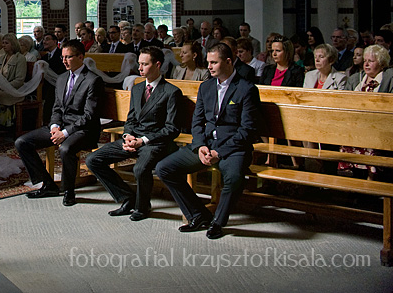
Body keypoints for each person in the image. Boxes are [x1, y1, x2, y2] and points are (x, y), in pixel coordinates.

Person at [156, 43, 261, 240]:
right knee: (164, 168)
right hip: (206, 145)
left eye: (214, 62)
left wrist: (219, 152)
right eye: (208, 62)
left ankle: (218, 222)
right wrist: (201, 145)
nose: (209, 66)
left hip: (233, 148)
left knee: (234, 178)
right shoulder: (206, 86)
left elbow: (248, 130)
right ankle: (198, 214)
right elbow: (197, 121)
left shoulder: (247, 89)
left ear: (228, 62)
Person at [86, 47, 183, 220]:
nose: (140, 68)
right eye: (139, 64)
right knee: (93, 160)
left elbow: (172, 129)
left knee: (140, 168)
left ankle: (143, 207)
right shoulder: (137, 88)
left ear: (157, 65)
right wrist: (127, 135)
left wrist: (143, 140)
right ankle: (127, 198)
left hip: (155, 142)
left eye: (144, 64)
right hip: (134, 138)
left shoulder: (171, 91)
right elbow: (130, 119)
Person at [15, 40, 103, 207]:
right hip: (61, 127)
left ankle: (69, 190)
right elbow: (56, 108)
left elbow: (89, 116)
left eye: (68, 57)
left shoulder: (93, 80)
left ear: (81, 57)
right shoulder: (62, 78)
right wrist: (55, 126)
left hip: (83, 130)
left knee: (66, 148)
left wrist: (65, 133)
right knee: (22, 142)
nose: (64, 61)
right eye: (63, 57)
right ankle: (47, 184)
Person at [340, 45, 393, 179]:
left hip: (379, 127)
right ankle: (358, 183)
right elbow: (345, 102)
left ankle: (373, 182)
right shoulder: (355, 79)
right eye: (365, 61)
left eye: (371, 61)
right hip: (356, 126)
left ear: (381, 64)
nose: (367, 64)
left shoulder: (389, 79)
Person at [0, 33, 28, 128]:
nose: (3, 45)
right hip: (0, 87)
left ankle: (5, 123)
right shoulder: (2, 58)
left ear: (13, 44)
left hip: (14, 90)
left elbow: (19, 80)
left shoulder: (20, 58)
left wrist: (0, 87)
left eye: (6, 43)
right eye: (3, 43)